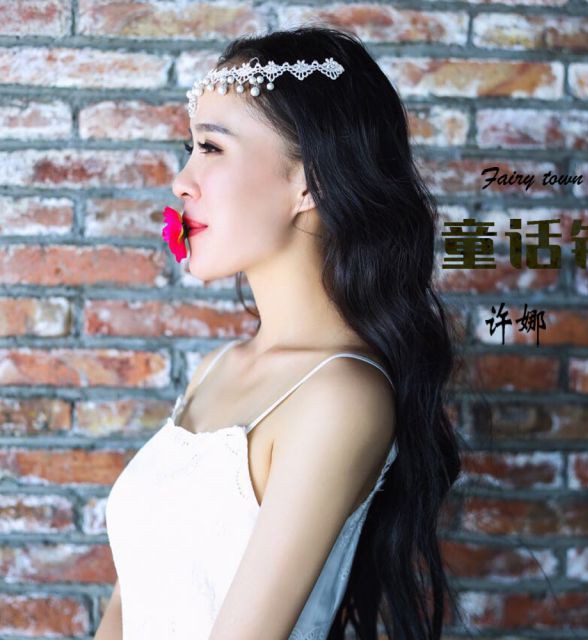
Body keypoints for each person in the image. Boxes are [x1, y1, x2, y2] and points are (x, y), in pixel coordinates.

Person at [96, 25, 462, 640]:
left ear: (309, 181)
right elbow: (128, 604)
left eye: (211, 148)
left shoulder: (340, 396)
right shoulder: (219, 367)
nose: (181, 180)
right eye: (190, 147)